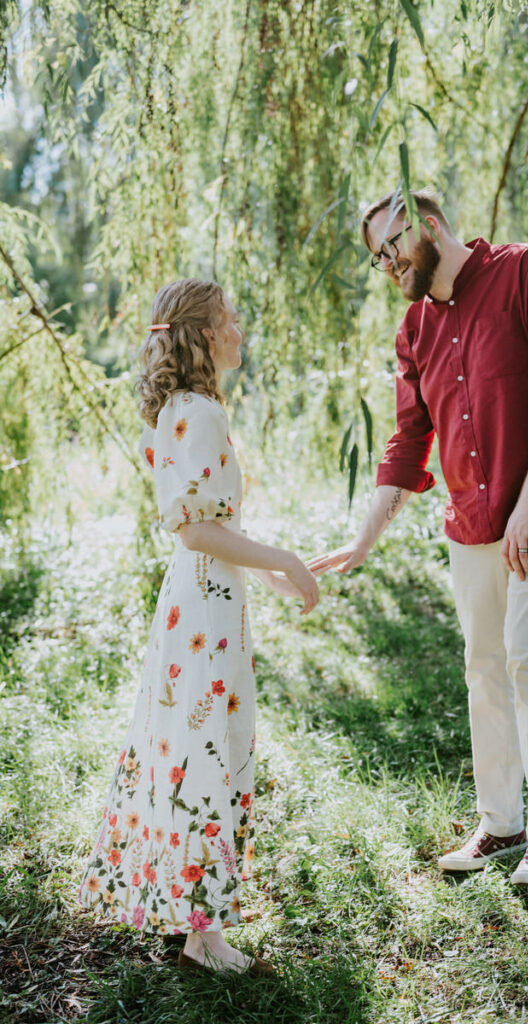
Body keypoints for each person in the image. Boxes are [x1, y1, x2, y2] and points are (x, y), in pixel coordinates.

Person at [308, 190, 528, 886]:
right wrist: (364, 539)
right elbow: (408, 437)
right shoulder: (413, 329)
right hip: (474, 519)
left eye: (391, 244)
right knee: (484, 666)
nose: (386, 262)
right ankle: (500, 823)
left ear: (430, 225)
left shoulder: (524, 272)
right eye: (376, 256)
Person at [78, 278, 319, 973]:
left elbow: (213, 530)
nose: (241, 327)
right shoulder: (200, 413)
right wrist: (284, 560)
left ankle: (191, 919)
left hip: (200, 603)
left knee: (194, 746)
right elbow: (196, 531)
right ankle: (203, 936)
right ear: (207, 333)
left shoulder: (181, 409)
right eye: (232, 317)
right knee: (212, 749)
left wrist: (275, 575)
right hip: (203, 613)